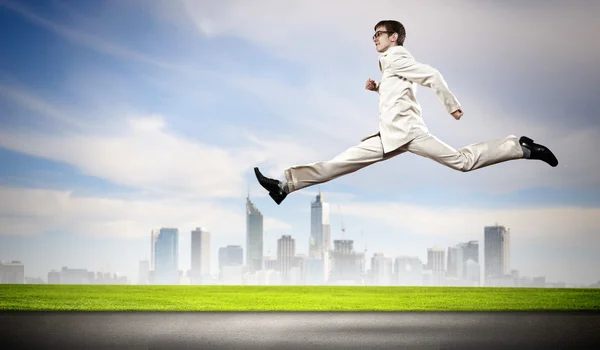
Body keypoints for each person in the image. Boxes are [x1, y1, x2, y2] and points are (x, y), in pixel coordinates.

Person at [254, 20, 558, 205]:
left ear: (394, 37)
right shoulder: (390, 64)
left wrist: (451, 106)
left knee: (463, 162)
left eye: (379, 34)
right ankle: (284, 186)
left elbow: (433, 75)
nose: (374, 38)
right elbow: (402, 91)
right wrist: (379, 88)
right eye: (373, 35)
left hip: (409, 134)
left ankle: (519, 147)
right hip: (390, 136)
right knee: (338, 165)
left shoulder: (397, 57)